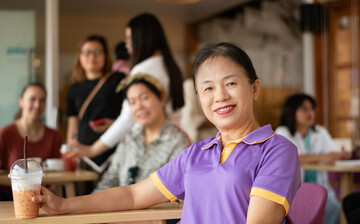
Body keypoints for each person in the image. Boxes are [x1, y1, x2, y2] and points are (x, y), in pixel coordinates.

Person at [33, 42, 300, 223]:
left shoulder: (278, 150)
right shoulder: (196, 153)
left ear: (254, 89)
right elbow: (133, 195)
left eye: (230, 83)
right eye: (207, 88)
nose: (220, 96)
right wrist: (63, 205)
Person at [71, 13, 184, 161]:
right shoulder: (171, 67)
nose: (127, 43)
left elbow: (127, 118)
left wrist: (94, 149)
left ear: (143, 38)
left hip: (149, 145)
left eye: (130, 38)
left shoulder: (142, 70)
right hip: (170, 140)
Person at [93, 73, 188, 193]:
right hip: (120, 209)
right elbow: (109, 180)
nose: (139, 107)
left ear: (162, 98)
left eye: (144, 98)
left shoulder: (178, 141)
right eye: (132, 102)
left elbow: (175, 191)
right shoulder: (129, 138)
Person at [275, 93, 351, 224]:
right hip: (295, 188)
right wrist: (324, 156)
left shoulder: (320, 132)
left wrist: (343, 154)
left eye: (312, 109)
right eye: (304, 109)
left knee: (334, 208)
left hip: (321, 185)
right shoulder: (282, 132)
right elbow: (291, 157)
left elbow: (334, 153)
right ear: (292, 111)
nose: (310, 113)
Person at [66, 35, 126, 166]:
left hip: (114, 153)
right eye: (87, 52)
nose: (92, 57)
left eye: (97, 52)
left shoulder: (118, 80)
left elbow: (130, 115)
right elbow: (72, 124)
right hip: (83, 155)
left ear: (105, 56)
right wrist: (71, 145)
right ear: (80, 56)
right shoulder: (74, 88)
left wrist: (113, 124)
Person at [0, 83, 62, 200]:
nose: (37, 105)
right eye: (32, 99)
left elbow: (59, 173)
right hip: (11, 197)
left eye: (42, 100)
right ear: (21, 102)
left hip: (44, 197)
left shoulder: (54, 136)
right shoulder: (5, 134)